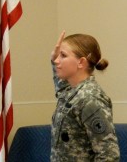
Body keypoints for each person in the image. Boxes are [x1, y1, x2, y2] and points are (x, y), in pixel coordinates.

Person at [50, 31, 120, 161]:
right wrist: (53, 59)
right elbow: (61, 88)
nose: (57, 60)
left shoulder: (90, 99)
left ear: (81, 62)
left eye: (63, 55)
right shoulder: (71, 91)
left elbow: (109, 155)